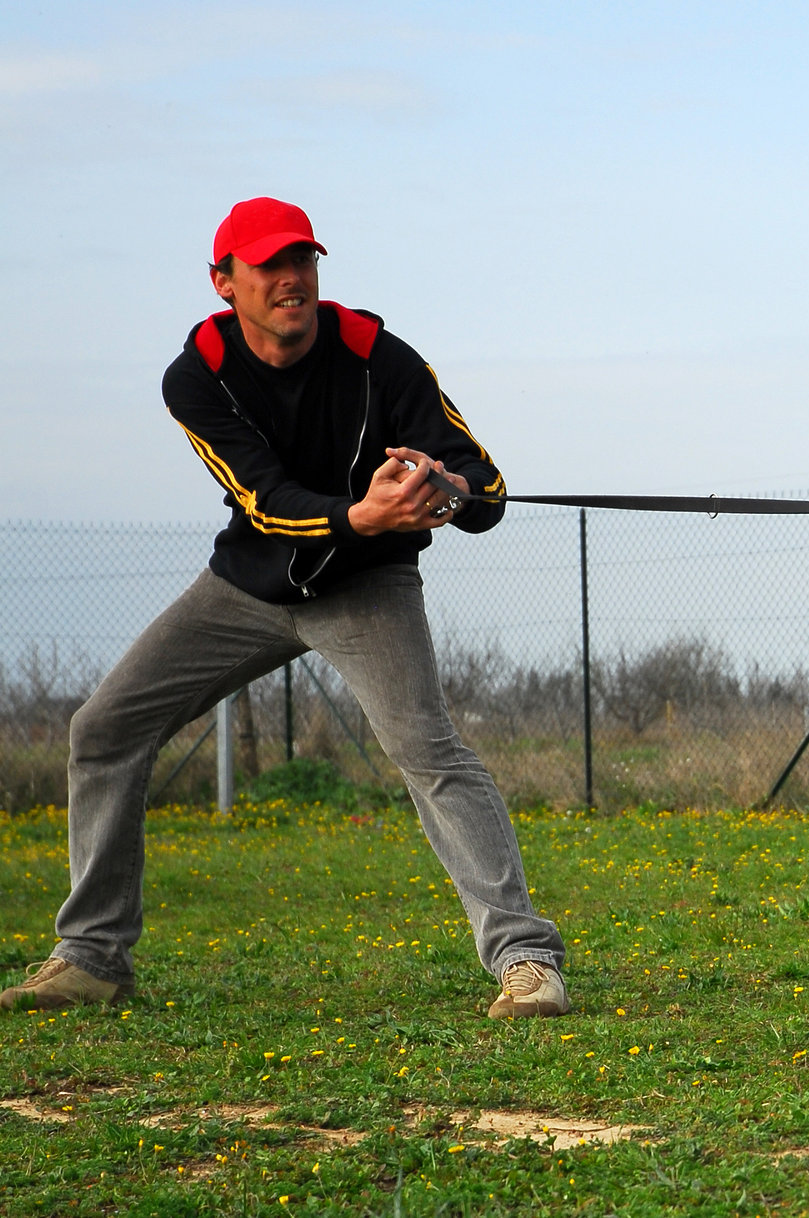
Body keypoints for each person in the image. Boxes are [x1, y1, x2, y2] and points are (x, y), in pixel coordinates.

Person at [1, 197, 568, 1019]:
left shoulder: (380, 356)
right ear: (224, 282)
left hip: (367, 587)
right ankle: (92, 958)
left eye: (302, 259)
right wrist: (362, 513)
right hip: (251, 582)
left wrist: (446, 490)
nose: (290, 279)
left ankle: (526, 960)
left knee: (429, 750)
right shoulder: (196, 375)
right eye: (268, 265)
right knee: (104, 728)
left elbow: (489, 489)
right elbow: (266, 501)